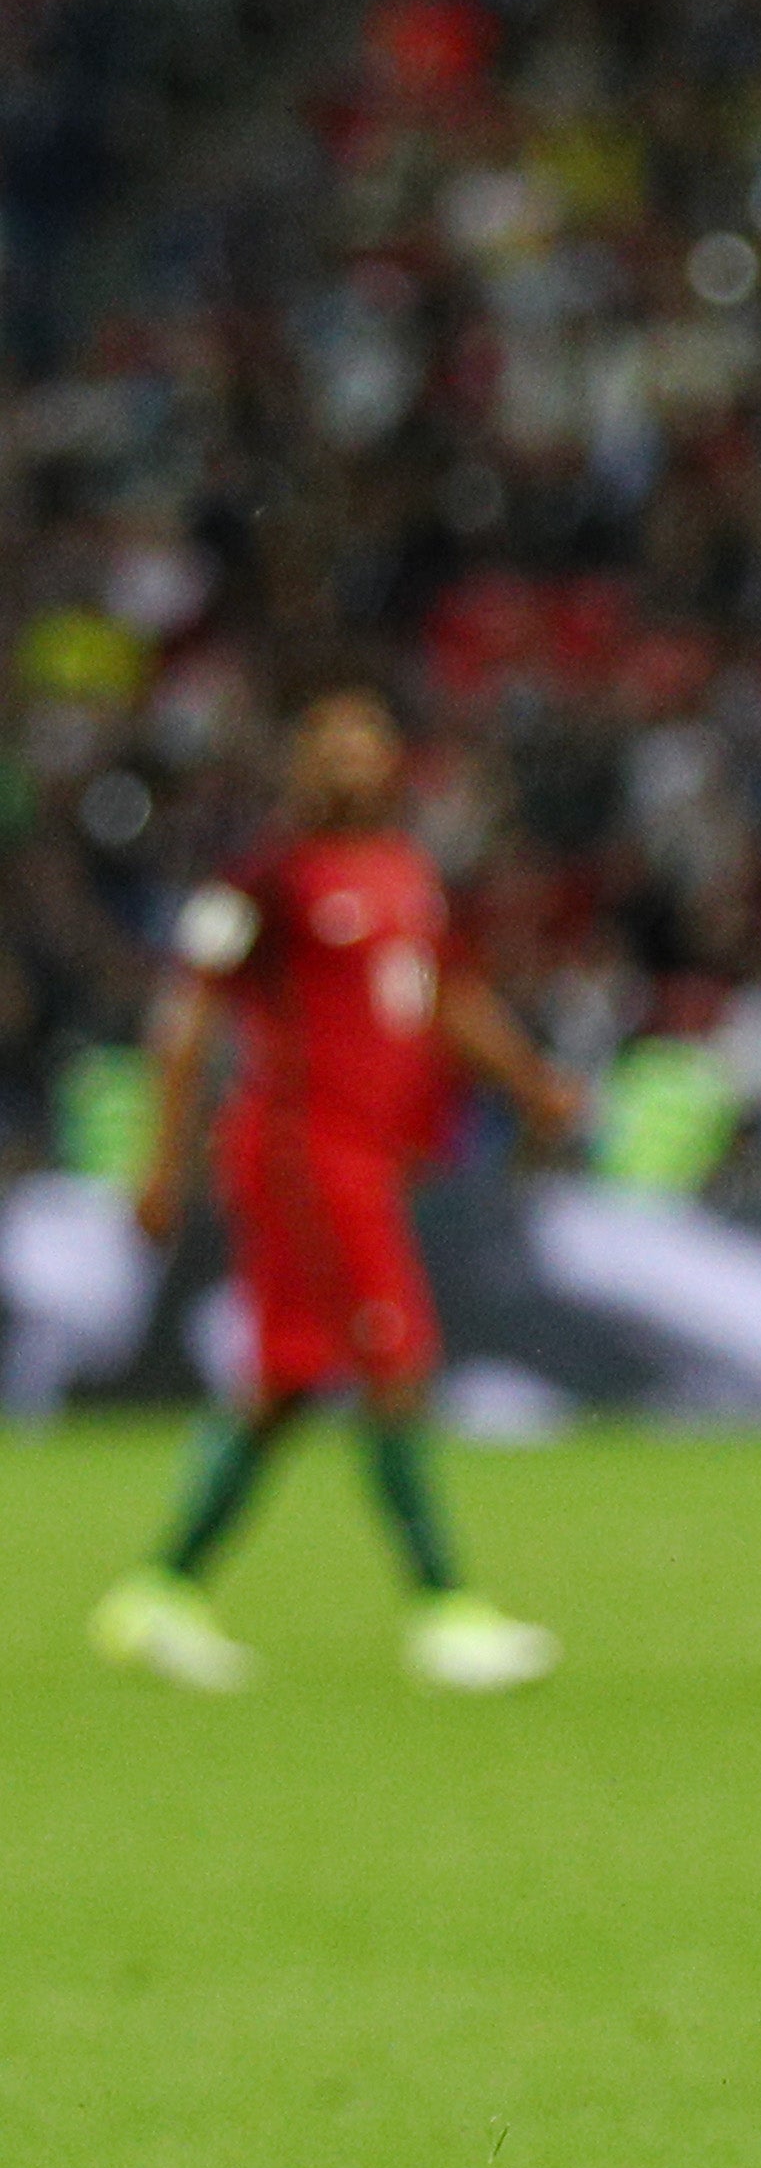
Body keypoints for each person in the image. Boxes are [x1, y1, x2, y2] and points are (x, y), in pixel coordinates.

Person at [87, 691, 572, 1693]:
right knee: (393, 1362)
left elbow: (447, 1001)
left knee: (289, 1382)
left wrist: (534, 1086)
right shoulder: (266, 881)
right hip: (303, 1151)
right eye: (331, 747)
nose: (351, 764)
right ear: (299, 765)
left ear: (396, 763)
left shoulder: (408, 874)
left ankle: (159, 1594)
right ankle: (445, 1608)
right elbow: (189, 1020)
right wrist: (161, 1164)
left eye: (369, 745)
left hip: (371, 1155)